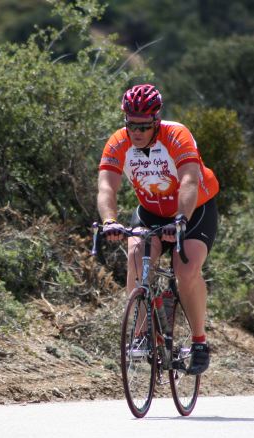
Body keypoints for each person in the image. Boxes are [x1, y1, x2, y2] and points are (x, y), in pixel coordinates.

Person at [97, 83, 219, 375]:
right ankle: (142, 336)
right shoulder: (118, 143)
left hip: (194, 210)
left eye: (143, 126)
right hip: (150, 212)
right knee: (136, 255)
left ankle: (199, 341)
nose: (136, 132)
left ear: (156, 121)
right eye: (131, 125)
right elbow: (106, 186)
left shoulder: (177, 135)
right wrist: (109, 221)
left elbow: (189, 180)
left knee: (186, 270)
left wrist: (180, 219)